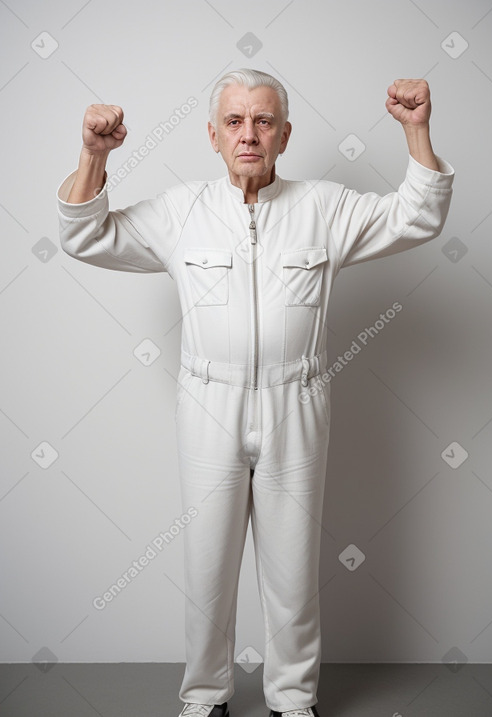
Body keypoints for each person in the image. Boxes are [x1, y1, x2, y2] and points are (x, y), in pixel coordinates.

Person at [56, 68, 454, 717]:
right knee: (207, 566)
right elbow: (84, 234)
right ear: (213, 135)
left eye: (263, 121)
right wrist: (94, 156)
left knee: (293, 569)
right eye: (236, 121)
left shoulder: (326, 206)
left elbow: (418, 216)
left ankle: (293, 700)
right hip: (208, 402)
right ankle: (205, 697)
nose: (250, 133)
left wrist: (417, 131)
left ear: (285, 134)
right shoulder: (180, 210)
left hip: (295, 400)